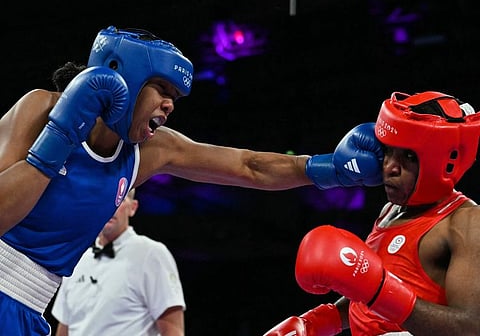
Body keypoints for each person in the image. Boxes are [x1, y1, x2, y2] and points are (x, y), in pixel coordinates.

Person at [0, 25, 384, 336]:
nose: (169, 105)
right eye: (161, 90)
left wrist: (326, 168)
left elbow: (248, 166)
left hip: (32, 308)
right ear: (121, 76)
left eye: (176, 97)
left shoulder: (149, 151)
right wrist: (60, 135)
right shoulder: (41, 108)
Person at [263, 91, 480, 336]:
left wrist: (379, 290)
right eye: (387, 151)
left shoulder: (467, 223)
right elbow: (372, 293)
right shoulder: (391, 211)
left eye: (408, 156)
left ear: (445, 161)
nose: (390, 167)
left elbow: (471, 327)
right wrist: (319, 321)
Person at [51, 188, 185, 336]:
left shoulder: (151, 254)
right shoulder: (78, 259)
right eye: (105, 199)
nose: (110, 206)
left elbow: (173, 330)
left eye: (119, 199)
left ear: (132, 208)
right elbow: (64, 329)